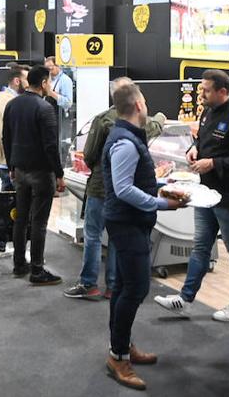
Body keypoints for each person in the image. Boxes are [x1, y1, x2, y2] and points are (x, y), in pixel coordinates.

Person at [102, 82, 190, 389]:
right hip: (127, 223)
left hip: (129, 221)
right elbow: (124, 189)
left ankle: (122, 347)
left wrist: (160, 190)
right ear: (138, 105)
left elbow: (132, 183)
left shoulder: (127, 137)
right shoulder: (126, 142)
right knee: (136, 288)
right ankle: (118, 356)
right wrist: (162, 203)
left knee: (125, 286)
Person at [155, 69, 229, 321]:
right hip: (205, 194)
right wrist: (194, 149)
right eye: (201, 89)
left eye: (206, 90)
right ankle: (186, 299)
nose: (201, 94)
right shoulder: (208, 113)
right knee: (200, 248)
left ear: (223, 91)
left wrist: (213, 163)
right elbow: (202, 142)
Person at [66, 76, 165, 300]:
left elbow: (90, 155)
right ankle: (113, 285)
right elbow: (156, 126)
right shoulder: (142, 122)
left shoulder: (102, 120)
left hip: (100, 186)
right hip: (124, 193)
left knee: (92, 235)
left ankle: (88, 283)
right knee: (114, 240)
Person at [2, 65, 64, 286]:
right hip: (40, 172)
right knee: (38, 222)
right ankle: (37, 269)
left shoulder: (13, 104)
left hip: (19, 170)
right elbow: (50, 146)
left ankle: (19, 264)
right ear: (45, 83)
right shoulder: (45, 108)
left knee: (21, 218)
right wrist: (59, 174)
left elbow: (5, 138)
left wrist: (11, 165)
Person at [0, 63, 28, 257]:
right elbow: (11, 135)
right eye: (25, 79)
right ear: (16, 80)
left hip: (4, 160)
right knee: (19, 207)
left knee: (8, 205)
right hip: (11, 163)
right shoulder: (11, 103)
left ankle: (2, 245)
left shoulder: (1, 99)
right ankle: (18, 250)